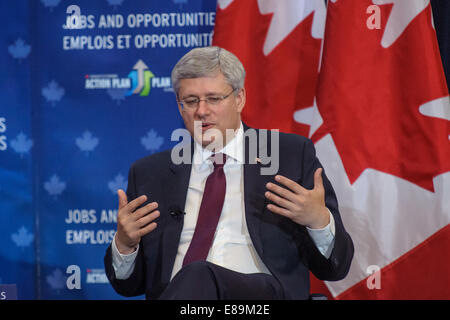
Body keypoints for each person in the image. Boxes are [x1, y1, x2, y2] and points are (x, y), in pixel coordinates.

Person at [104, 46, 354, 299]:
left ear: (239, 99)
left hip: (261, 300)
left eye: (213, 98)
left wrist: (318, 221)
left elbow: (336, 267)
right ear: (180, 108)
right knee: (194, 278)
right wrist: (125, 244)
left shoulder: (288, 157)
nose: (202, 111)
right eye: (191, 101)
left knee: (198, 273)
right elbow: (128, 286)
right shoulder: (150, 173)